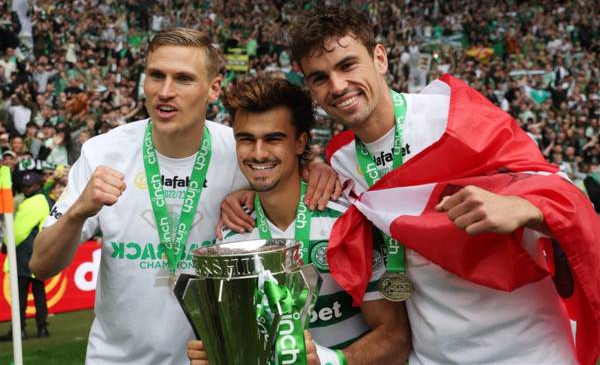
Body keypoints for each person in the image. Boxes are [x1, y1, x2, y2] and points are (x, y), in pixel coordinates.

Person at [285, 6, 599, 364]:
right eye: (319, 77)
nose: (337, 86)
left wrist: (525, 207)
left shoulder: (453, 117)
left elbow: (567, 194)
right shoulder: (341, 161)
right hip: (432, 356)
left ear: (380, 58)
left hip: (527, 349)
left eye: (347, 65)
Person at [28, 28, 338, 364]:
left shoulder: (238, 150)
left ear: (213, 88)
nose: (165, 91)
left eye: (183, 79)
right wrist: (78, 211)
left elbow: (285, 168)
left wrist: (317, 168)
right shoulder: (103, 152)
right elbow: (40, 265)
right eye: (156, 75)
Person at [188, 77, 410, 365]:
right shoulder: (232, 234)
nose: (258, 153)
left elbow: (395, 337)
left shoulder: (344, 221)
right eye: (246, 139)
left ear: (300, 142)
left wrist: (330, 362)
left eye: (273, 139)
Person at [0, 172, 50, 341]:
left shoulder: (32, 202)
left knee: (20, 294)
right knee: (39, 292)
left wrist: (6, 245)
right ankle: (42, 328)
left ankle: (19, 330)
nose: (26, 188)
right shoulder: (43, 200)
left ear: (37, 185)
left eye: (29, 186)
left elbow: (19, 231)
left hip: (24, 255)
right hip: (38, 252)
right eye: (24, 186)